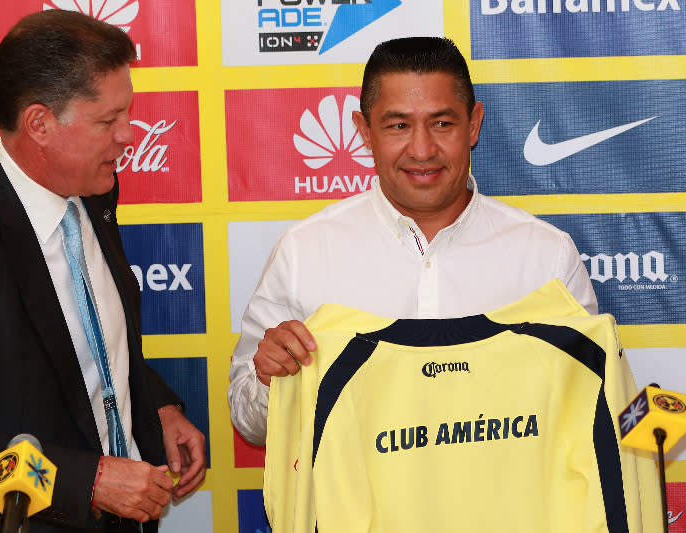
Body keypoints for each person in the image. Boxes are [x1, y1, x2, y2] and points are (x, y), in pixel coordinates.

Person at [0, 10, 205, 532]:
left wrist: (157, 407)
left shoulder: (95, 192)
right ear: (39, 123)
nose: (129, 136)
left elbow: (82, 342)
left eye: (127, 113)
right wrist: (83, 482)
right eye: (108, 120)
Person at [228, 37, 598, 446]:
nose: (422, 150)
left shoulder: (546, 256)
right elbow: (251, 425)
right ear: (364, 131)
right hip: (350, 513)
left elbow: (588, 409)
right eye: (398, 125)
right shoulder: (304, 251)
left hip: (506, 510)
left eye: (442, 124)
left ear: (473, 125)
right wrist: (267, 379)